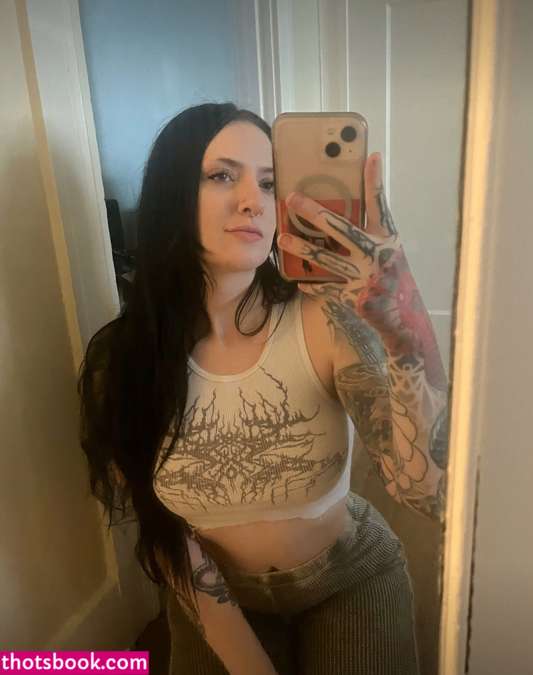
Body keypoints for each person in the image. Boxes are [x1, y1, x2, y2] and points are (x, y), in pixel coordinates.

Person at [78, 102, 449, 675]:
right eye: (223, 175)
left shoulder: (326, 321)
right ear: (173, 193)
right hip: (215, 595)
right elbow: (163, 531)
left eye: (271, 183)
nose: (255, 201)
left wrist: (405, 330)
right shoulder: (122, 361)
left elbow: (430, 491)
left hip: (348, 577)